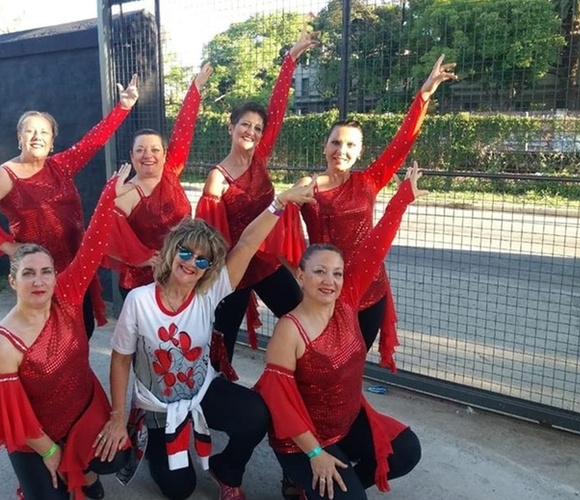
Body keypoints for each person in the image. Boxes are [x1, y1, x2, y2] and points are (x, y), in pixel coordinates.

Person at [98, 181, 317, 500]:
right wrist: (117, 417)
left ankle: (226, 468)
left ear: (209, 268)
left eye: (202, 260)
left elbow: (246, 245)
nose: (191, 263)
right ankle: (149, 432)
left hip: (200, 391)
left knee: (256, 413)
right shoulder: (139, 300)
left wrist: (279, 202)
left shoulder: (208, 293)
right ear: (172, 251)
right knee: (179, 489)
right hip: (158, 405)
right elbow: (120, 359)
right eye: (185, 252)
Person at [255, 165, 428, 500]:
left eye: (336, 273)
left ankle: (330, 490)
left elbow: (375, 247)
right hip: (301, 440)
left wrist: (401, 201)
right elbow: (279, 402)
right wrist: (316, 454)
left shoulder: (347, 302)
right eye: (319, 272)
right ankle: (313, 481)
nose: (329, 281)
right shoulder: (290, 331)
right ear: (301, 276)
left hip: (346, 426)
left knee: (406, 450)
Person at [288, 55, 457, 370]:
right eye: (336, 142)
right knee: (322, 365)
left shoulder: (368, 181)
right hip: (328, 292)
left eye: (351, 145)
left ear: (360, 151)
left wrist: (423, 96)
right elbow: (280, 227)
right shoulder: (307, 186)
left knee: (353, 367)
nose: (342, 150)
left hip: (371, 289)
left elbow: (401, 145)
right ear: (325, 147)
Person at [0, 164, 133, 500]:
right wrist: (50, 451)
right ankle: (50, 473)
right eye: (28, 273)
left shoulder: (68, 292)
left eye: (46, 271)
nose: (39, 280)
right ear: (12, 281)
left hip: (81, 411)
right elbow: (13, 415)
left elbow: (91, 245)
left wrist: (108, 198)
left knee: (117, 455)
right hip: (33, 434)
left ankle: (85, 469)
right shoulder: (3, 341)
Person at [0, 75, 139, 338]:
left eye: (44, 132)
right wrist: (9, 247)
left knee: (83, 331)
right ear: (20, 138)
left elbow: (92, 142)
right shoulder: (6, 174)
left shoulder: (60, 165)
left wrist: (124, 108)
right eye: (30, 131)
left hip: (75, 269)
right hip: (40, 276)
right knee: (49, 342)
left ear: (52, 142)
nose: (37, 137)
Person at [195, 27, 319, 364]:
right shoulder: (216, 179)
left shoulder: (259, 159)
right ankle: (213, 401)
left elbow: (277, 110)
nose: (251, 131)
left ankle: (299, 378)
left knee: (299, 315)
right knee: (221, 345)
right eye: (245, 125)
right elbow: (207, 239)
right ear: (230, 127)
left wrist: (290, 61)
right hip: (233, 272)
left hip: (264, 263)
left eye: (257, 128)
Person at [102, 64, 213, 298]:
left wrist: (195, 88)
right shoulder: (128, 191)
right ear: (132, 157)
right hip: (142, 286)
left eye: (154, 149)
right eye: (140, 150)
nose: (148, 155)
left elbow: (184, 129)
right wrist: (141, 257)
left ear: (164, 154)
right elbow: (105, 231)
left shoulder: (171, 171)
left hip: (179, 274)